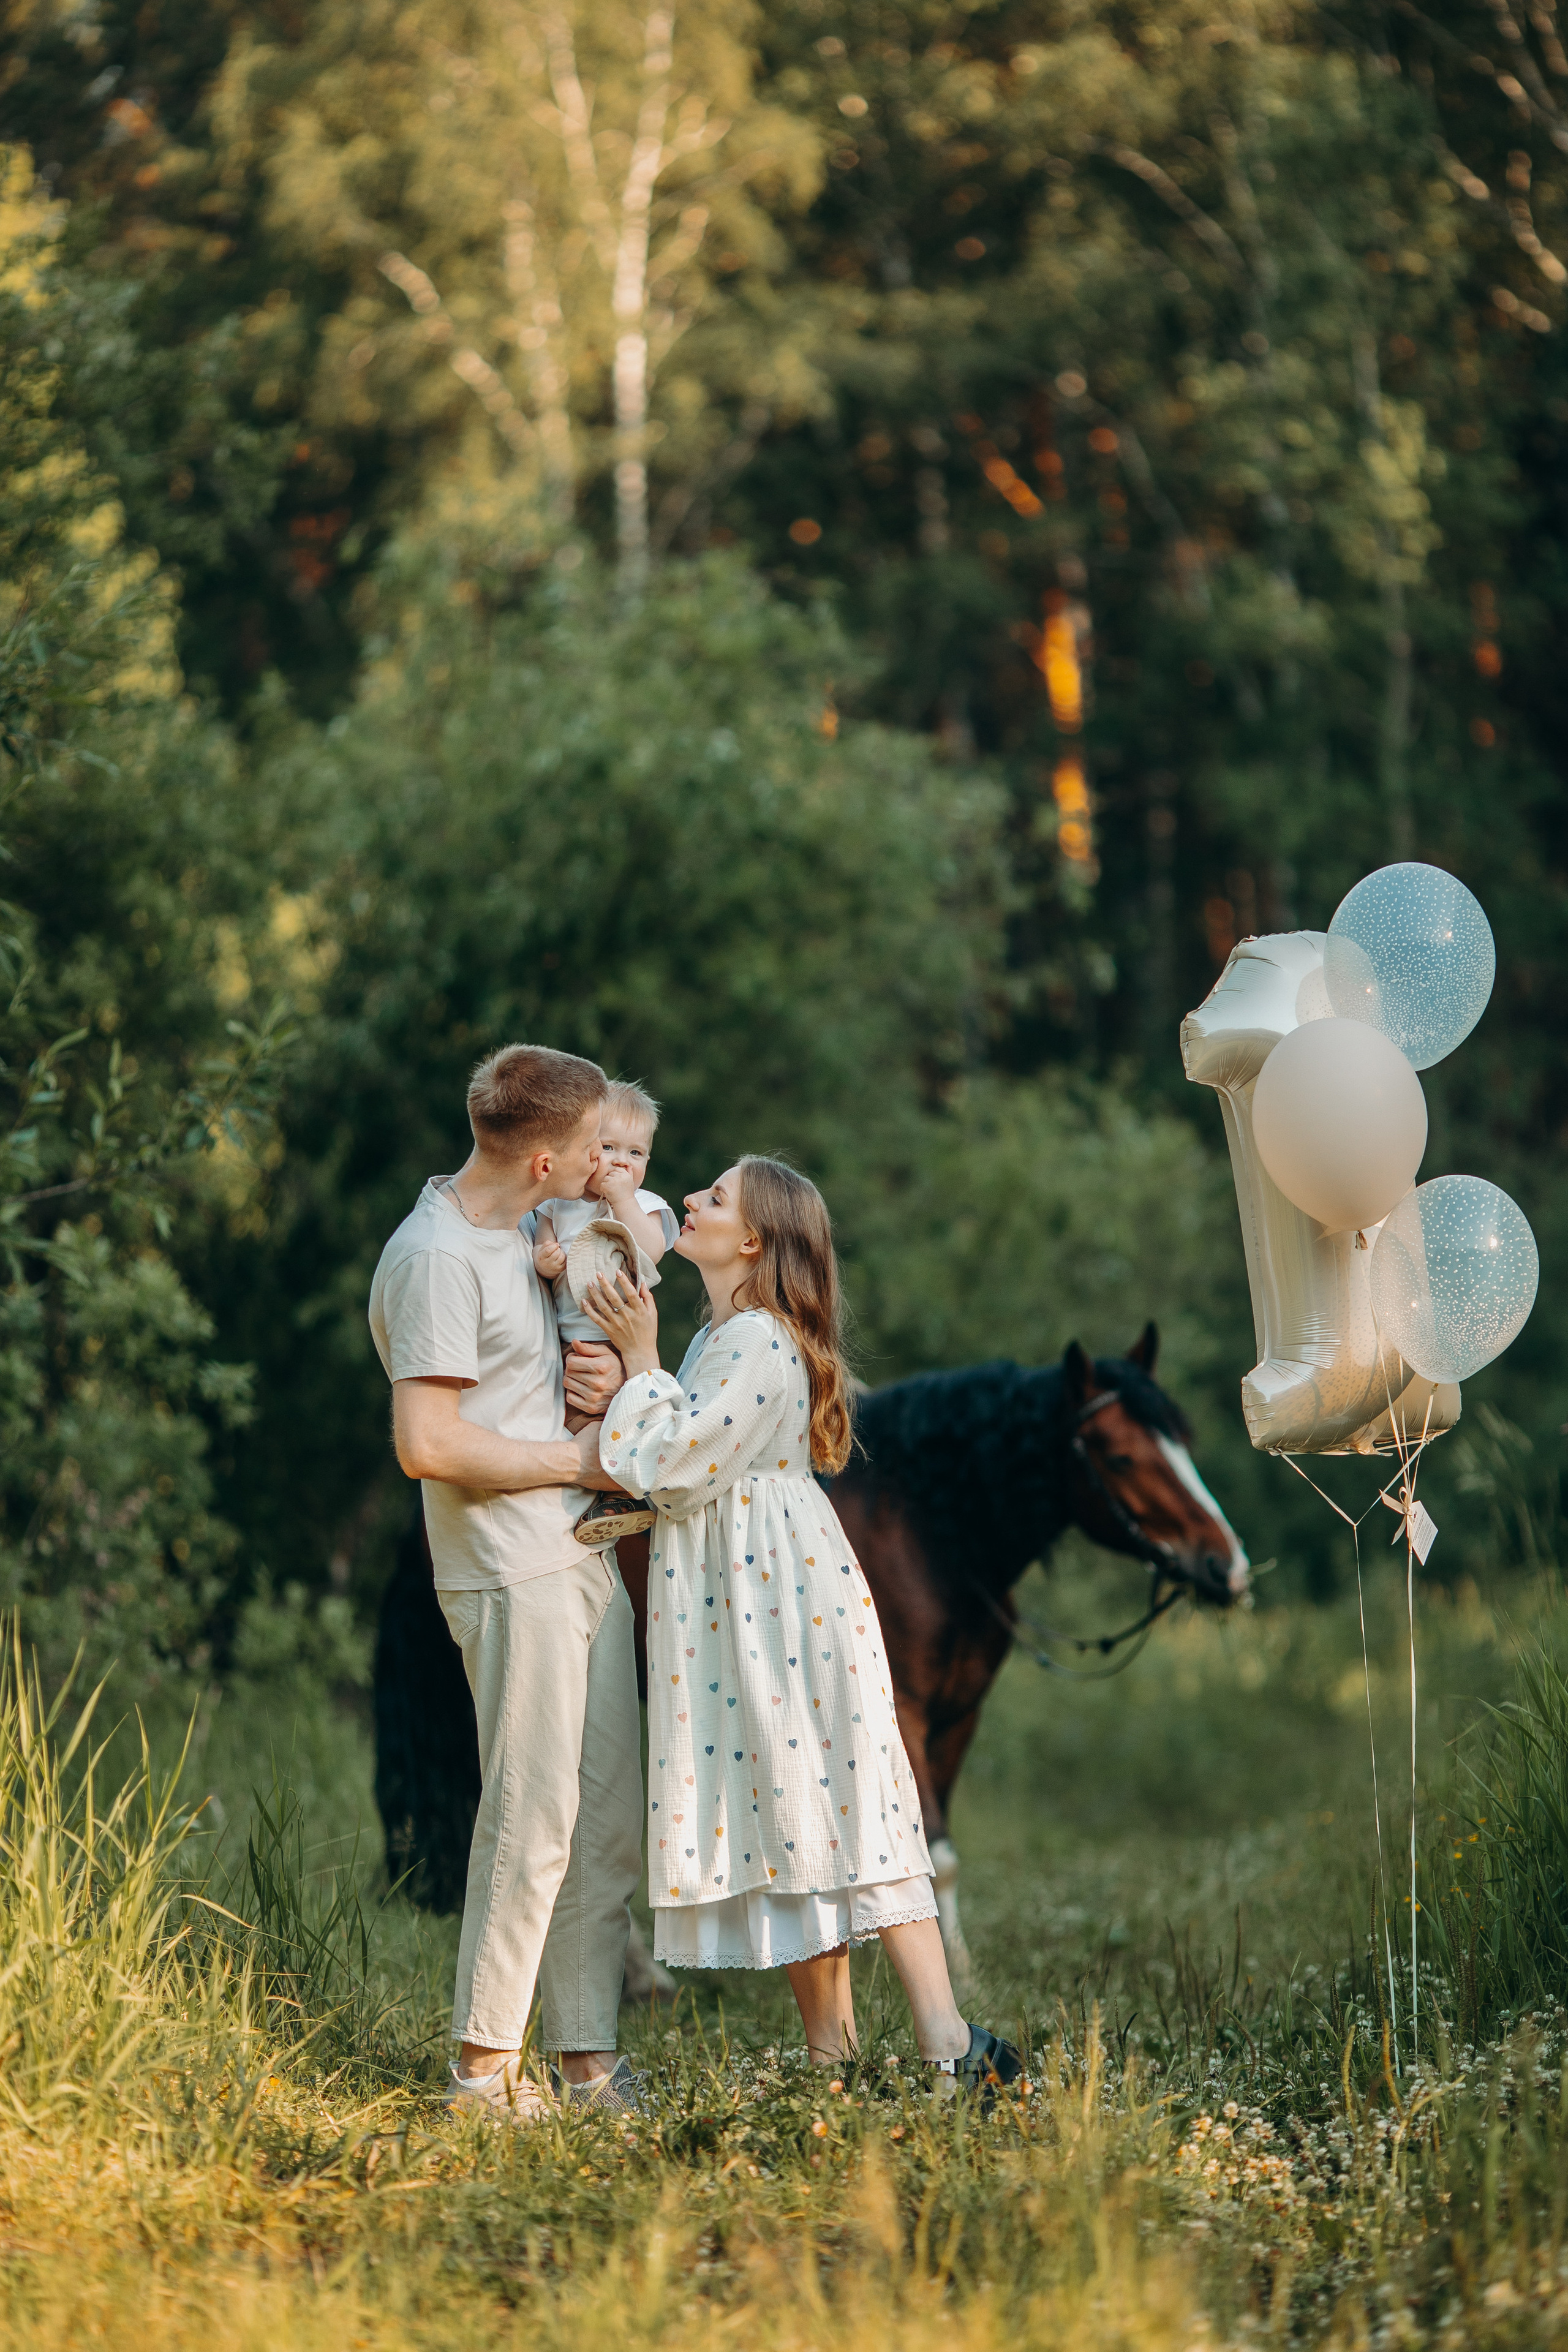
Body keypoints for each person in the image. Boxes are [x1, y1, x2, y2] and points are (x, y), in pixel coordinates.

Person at [582, 1155, 1022, 2094]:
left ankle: (948, 2044)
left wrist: (642, 1358)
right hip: (741, 1603)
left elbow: (675, 1462)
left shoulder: (758, 1344)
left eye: (713, 1197)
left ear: (751, 1240)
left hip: (781, 1606)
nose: (690, 1200)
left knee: (847, 1809)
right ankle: (835, 2059)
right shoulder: (724, 1336)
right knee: (791, 1819)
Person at [368, 1042, 644, 2122]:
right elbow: (426, 1442)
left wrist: (605, 1375)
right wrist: (574, 1461)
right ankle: (481, 2080)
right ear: (543, 1162)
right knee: (531, 1818)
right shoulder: (434, 1257)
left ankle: (585, 2064)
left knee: (601, 1820)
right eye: (591, 1152)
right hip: (506, 1563)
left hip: (578, 1553)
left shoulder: (534, 1230)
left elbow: (535, 1368)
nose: (606, 1167)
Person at [531, 1079, 679, 1430]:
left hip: (618, 1342)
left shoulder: (644, 1205)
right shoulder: (558, 1202)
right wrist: (545, 1259)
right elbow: (542, 1244)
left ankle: (613, 1485)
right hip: (563, 1339)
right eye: (609, 1147)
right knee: (563, 1420)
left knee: (613, 1423)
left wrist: (623, 1200)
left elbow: (651, 1252)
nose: (622, 1163)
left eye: (636, 1153)